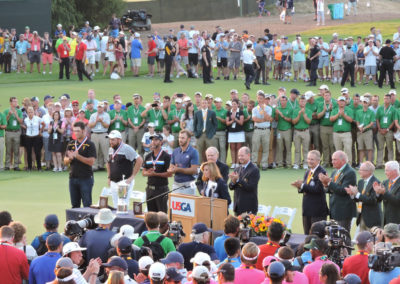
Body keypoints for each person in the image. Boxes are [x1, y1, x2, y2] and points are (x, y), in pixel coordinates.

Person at [291, 150, 329, 234]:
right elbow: (306, 188)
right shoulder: (308, 172)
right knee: (306, 235)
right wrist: (299, 187)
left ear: (318, 160)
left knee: (316, 236)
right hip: (307, 209)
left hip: (317, 211)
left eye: (312, 159)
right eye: (308, 159)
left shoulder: (321, 172)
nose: (309, 161)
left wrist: (302, 186)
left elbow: (318, 189)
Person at [319, 151, 357, 233]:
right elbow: (332, 189)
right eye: (332, 159)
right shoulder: (335, 171)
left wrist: (329, 183)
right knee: (333, 236)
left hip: (343, 211)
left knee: (343, 236)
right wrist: (325, 185)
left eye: (335, 160)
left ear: (343, 160)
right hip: (334, 209)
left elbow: (343, 190)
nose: (332, 162)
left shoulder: (350, 172)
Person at [64, 121, 96, 208]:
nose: (76, 133)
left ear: (83, 131)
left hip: (85, 178)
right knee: (74, 206)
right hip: (73, 178)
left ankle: (87, 222)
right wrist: (70, 158)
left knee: (87, 205)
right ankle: (75, 222)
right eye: (74, 131)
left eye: (78, 131)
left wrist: (77, 156)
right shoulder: (71, 144)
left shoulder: (90, 144)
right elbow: (65, 161)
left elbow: (91, 162)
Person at [345, 161, 382, 231]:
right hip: (361, 217)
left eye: (361, 170)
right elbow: (359, 199)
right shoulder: (361, 182)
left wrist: (357, 194)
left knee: (372, 240)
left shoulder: (376, 183)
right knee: (362, 240)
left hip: (372, 219)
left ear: (369, 172)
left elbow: (372, 200)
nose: (359, 171)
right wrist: (352, 195)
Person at [142, 133, 172, 213]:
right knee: (152, 216)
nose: (153, 142)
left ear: (161, 142)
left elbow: (170, 174)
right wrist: (148, 173)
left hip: (161, 190)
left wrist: (156, 174)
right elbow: (143, 172)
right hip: (150, 189)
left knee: (162, 216)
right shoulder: (148, 156)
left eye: (156, 140)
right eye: (152, 140)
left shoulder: (166, 156)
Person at [228, 146, 260, 215]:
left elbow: (251, 187)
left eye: (242, 156)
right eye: (239, 156)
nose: (240, 158)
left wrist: (238, 180)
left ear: (248, 155)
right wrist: (233, 182)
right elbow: (231, 187)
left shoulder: (254, 170)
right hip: (237, 207)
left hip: (249, 208)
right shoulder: (237, 169)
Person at [168, 129, 200, 195]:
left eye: (183, 138)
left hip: (188, 185)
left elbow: (194, 170)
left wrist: (178, 169)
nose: (180, 140)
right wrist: (171, 170)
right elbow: (171, 166)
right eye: (179, 137)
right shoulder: (175, 151)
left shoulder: (194, 152)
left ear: (189, 139)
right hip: (176, 184)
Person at [193, 99, 218, 163]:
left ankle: (211, 164)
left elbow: (215, 124)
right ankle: (199, 166)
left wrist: (212, 133)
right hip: (200, 135)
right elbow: (194, 124)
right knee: (199, 151)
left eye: (205, 103)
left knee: (210, 151)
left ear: (208, 104)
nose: (204, 104)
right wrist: (195, 133)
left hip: (209, 135)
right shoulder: (197, 113)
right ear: (201, 104)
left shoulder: (212, 113)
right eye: (203, 103)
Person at [88, 102, 110, 171]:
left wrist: (101, 121)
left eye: (101, 107)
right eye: (98, 107)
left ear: (103, 108)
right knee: (95, 150)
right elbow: (90, 125)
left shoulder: (106, 115)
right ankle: (95, 166)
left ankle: (104, 165)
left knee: (105, 150)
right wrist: (96, 121)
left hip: (103, 133)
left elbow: (107, 125)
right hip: (94, 133)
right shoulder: (93, 115)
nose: (99, 108)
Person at [376, 94, 396, 169]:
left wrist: (387, 129)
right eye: (384, 98)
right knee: (380, 147)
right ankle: (379, 163)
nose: (385, 100)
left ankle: (390, 164)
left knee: (389, 147)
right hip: (380, 131)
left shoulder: (393, 109)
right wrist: (379, 128)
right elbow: (377, 119)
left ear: (390, 100)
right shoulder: (380, 108)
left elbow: (394, 121)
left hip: (389, 131)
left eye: (387, 98)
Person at [4, 96, 23, 171]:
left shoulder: (19, 111)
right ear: (11, 102)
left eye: (16, 101)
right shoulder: (6, 111)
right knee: (8, 149)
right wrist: (8, 115)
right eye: (14, 101)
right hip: (8, 132)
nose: (16, 103)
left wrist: (16, 114)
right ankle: (7, 165)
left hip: (16, 132)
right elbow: (4, 122)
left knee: (16, 149)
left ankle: (16, 165)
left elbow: (21, 121)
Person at [274, 95, 293, 168]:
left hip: (287, 130)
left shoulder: (290, 108)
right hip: (279, 130)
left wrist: (282, 116)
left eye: (284, 100)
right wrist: (276, 114)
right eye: (281, 100)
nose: (282, 102)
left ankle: (288, 163)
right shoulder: (278, 109)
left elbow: (291, 120)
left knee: (288, 147)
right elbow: (276, 119)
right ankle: (280, 163)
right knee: (280, 147)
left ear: (286, 101)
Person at [24, 106, 43, 171]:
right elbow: (25, 126)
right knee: (28, 152)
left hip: (36, 137)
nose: (30, 113)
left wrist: (40, 131)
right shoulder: (26, 119)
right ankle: (29, 167)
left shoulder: (38, 118)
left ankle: (39, 167)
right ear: (27, 113)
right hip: (28, 137)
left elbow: (43, 124)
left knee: (37, 152)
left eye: (31, 112)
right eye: (29, 112)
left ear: (34, 112)